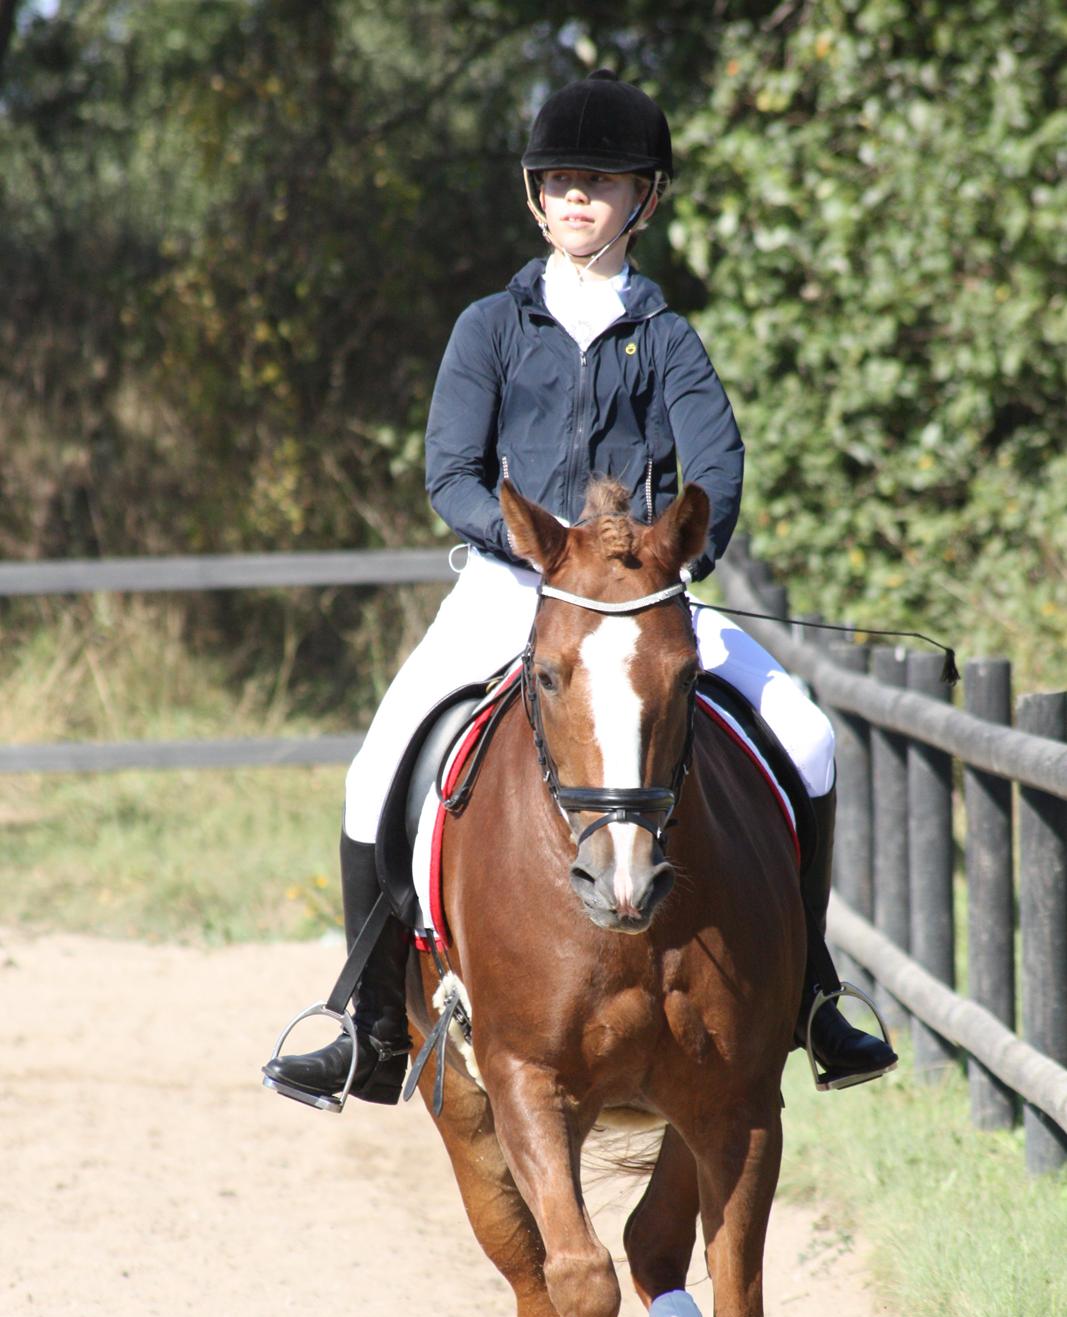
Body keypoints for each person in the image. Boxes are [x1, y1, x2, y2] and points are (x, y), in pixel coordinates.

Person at [264, 69, 896, 1107]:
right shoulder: (489, 327)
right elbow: (450, 474)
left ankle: (808, 998)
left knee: (808, 735)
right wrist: (535, 549)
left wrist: (669, 563)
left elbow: (717, 466)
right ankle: (367, 1023)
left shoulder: (668, 338)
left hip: (641, 600)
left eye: (598, 183)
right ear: (533, 195)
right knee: (375, 766)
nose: (575, 198)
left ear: (642, 199)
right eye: (559, 181)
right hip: (512, 587)